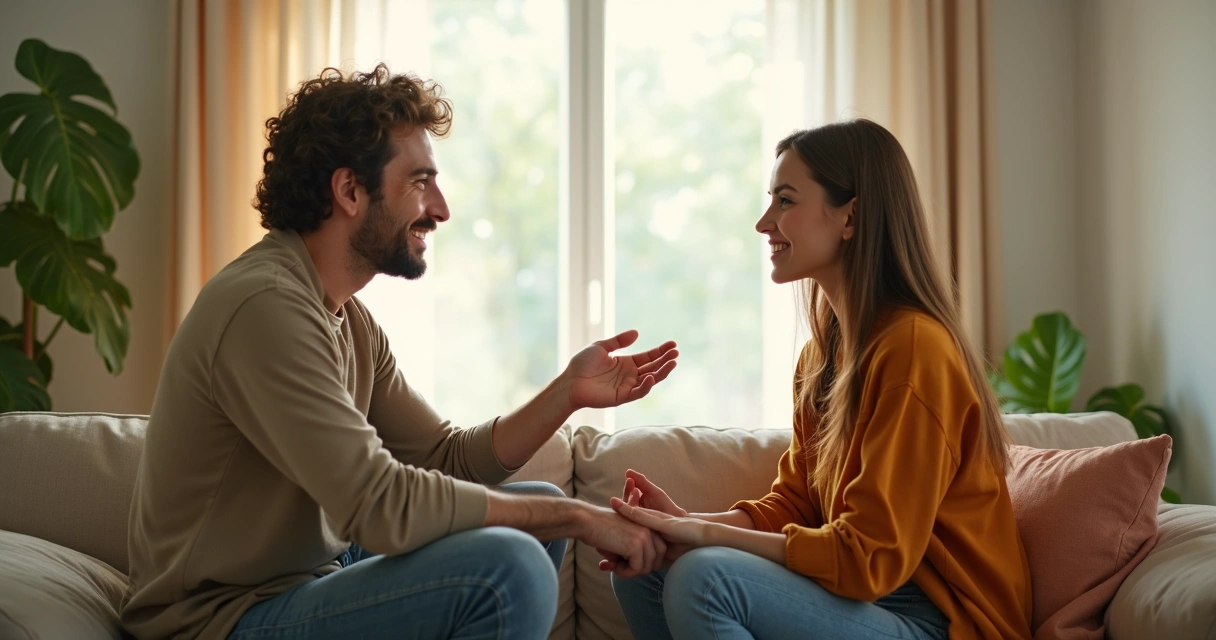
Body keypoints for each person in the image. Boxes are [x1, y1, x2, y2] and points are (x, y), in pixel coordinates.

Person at [120, 64, 678, 640]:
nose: (441, 209)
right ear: (349, 191)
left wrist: (566, 393)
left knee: (531, 517)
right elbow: (379, 504)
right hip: (216, 620)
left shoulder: (349, 319)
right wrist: (577, 515)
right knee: (510, 563)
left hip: (308, 580)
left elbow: (444, 458)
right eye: (419, 182)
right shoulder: (264, 306)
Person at [605, 119, 1033, 640]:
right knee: (644, 568)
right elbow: (797, 506)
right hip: (869, 602)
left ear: (850, 216)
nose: (764, 223)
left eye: (785, 200)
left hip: (943, 620)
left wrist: (702, 535)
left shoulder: (915, 348)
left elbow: (867, 560)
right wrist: (679, 525)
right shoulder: (822, 355)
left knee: (706, 578)